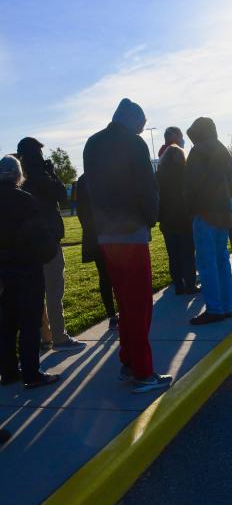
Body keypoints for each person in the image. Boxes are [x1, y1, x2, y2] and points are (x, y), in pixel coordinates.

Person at [83, 98, 172, 393]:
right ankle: (143, 372)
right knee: (140, 306)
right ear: (134, 121)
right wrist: (151, 218)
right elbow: (148, 188)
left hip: (106, 234)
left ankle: (128, 361)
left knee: (125, 302)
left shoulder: (92, 144)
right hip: (131, 233)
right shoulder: (135, 145)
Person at [16, 137, 84, 351]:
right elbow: (61, 195)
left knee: (36, 293)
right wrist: (51, 172)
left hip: (29, 244)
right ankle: (59, 336)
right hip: (48, 241)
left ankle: (44, 336)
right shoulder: (41, 177)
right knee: (54, 291)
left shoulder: (23, 181)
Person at [0, 155, 60, 389]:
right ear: (18, 175)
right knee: (29, 323)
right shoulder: (26, 201)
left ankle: (8, 371)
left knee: (6, 324)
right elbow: (40, 238)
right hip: (27, 270)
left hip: (2, 273)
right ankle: (32, 373)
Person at [184, 117, 232, 325]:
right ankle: (227, 305)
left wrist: (193, 208)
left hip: (204, 213)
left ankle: (214, 308)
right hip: (223, 212)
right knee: (222, 260)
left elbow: (189, 185)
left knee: (207, 263)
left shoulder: (197, 152)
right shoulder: (223, 150)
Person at [76, 174, 118, 329]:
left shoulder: (83, 180)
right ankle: (122, 310)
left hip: (94, 235)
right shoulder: (108, 174)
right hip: (112, 233)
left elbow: (81, 210)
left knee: (104, 276)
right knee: (118, 274)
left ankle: (111, 315)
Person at [157, 143, 199, 295]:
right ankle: (190, 284)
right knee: (188, 254)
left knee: (173, 255)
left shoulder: (160, 175)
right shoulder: (186, 172)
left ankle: (178, 285)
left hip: (168, 220)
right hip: (185, 219)